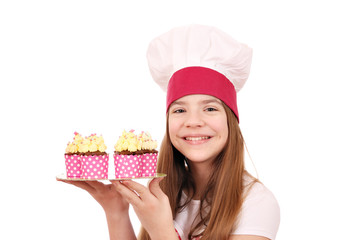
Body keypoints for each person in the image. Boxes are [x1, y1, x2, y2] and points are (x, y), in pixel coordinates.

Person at [59, 24, 280, 240]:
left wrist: (161, 231)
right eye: (180, 110)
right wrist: (115, 211)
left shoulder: (256, 203)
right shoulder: (168, 191)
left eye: (210, 108)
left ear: (231, 120)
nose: (193, 121)